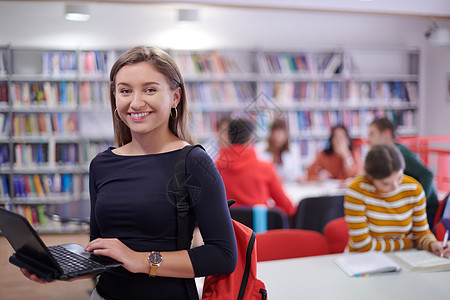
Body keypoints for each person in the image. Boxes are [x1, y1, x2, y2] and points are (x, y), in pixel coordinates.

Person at [21, 46, 238, 300]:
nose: (135, 102)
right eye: (125, 91)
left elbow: (222, 255)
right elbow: (102, 252)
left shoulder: (194, 162)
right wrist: (59, 268)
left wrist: (141, 260)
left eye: (150, 89)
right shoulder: (101, 164)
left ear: (175, 97)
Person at [344, 143, 450, 257]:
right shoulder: (357, 190)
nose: (395, 186)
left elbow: (421, 233)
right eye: (385, 183)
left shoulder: (413, 189)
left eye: (399, 177)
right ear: (370, 178)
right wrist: (408, 243)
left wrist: (432, 244)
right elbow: (362, 245)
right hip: (361, 259)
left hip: (398, 258)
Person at [215, 118, 296, 216]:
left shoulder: (214, 169)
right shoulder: (266, 168)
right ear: (250, 139)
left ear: (228, 137)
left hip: (229, 230)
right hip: (260, 229)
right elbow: (287, 208)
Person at [367, 117, 439, 227]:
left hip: (426, 210)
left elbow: (427, 174)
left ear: (386, 134)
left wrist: (417, 204)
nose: (369, 139)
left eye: (372, 134)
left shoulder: (399, 153)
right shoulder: (386, 155)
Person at [255, 118, 303, 182]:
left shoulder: (293, 149)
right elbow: (258, 172)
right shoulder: (260, 148)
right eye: (276, 134)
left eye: (281, 134)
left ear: (286, 135)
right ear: (271, 135)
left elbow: (297, 174)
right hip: (268, 186)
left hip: (289, 187)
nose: (278, 137)